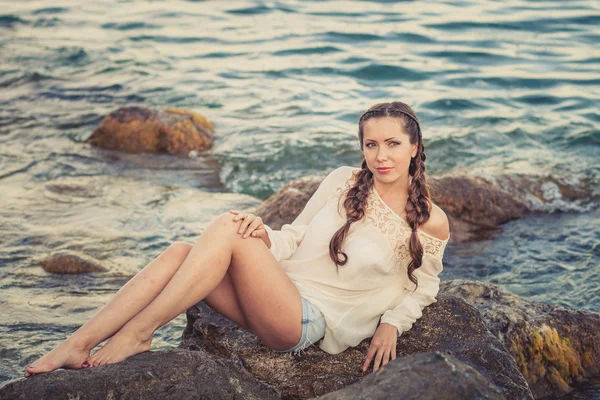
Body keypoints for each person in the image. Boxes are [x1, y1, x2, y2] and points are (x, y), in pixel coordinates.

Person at [24, 101, 449, 378]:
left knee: (225, 229)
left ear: (414, 147)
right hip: (273, 291)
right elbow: (294, 237)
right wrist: (262, 233)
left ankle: (139, 331)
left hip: (305, 321)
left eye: (393, 144)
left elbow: (424, 286)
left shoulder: (430, 220)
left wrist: (392, 324)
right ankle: (77, 344)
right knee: (179, 252)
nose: (381, 156)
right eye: (371, 144)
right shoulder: (343, 181)